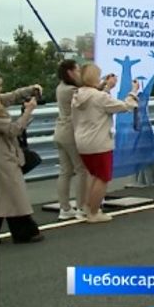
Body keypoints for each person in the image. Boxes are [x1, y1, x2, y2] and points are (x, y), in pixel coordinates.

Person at [71, 63, 139, 223]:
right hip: (99, 141)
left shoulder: (77, 95)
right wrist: (133, 92)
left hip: (82, 140)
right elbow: (125, 106)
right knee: (102, 177)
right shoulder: (99, 97)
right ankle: (94, 212)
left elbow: (96, 102)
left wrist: (105, 87)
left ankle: (86, 207)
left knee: (93, 174)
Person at [0, 70, 44, 244]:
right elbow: (12, 130)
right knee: (13, 191)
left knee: (3, 193)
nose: (1, 89)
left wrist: (30, 90)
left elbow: (12, 96)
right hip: (1, 154)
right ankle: (25, 231)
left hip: (2, 153)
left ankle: (23, 230)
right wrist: (28, 112)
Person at [53, 60, 90, 220]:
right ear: (70, 72)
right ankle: (81, 207)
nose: (79, 73)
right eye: (77, 70)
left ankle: (65, 207)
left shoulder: (60, 87)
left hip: (60, 131)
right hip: (71, 132)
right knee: (81, 170)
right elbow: (88, 100)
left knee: (65, 171)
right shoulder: (72, 90)